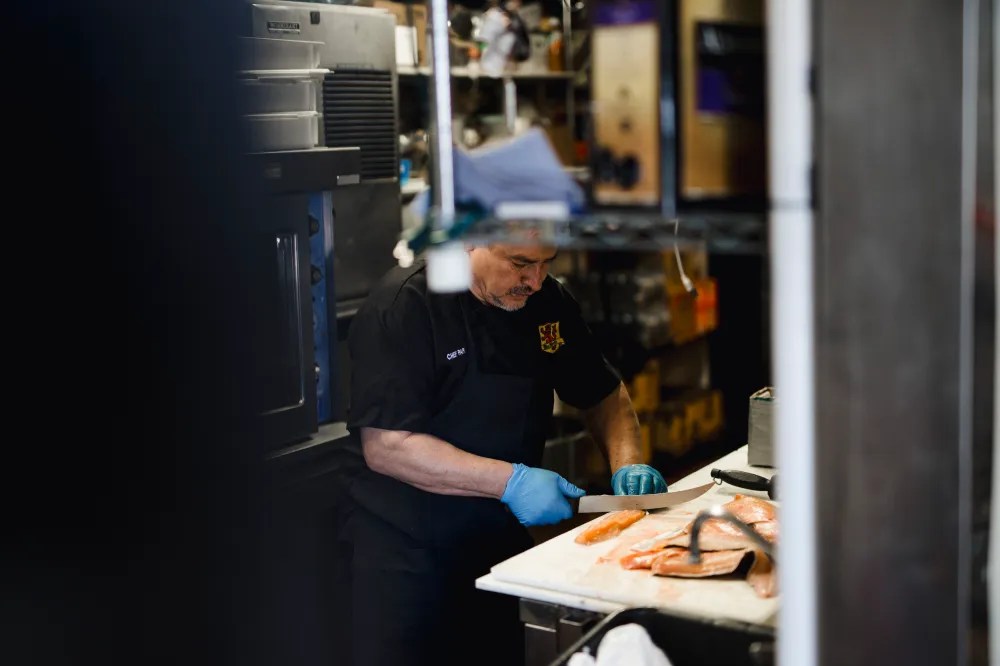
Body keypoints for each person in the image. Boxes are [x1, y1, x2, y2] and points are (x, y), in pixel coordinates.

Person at [334, 242, 668, 666]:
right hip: (404, 556)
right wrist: (512, 481)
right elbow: (387, 446)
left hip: (496, 548)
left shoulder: (546, 303)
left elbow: (603, 395)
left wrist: (628, 462)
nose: (536, 280)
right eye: (521, 264)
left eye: (548, 263)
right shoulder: (407, 305)